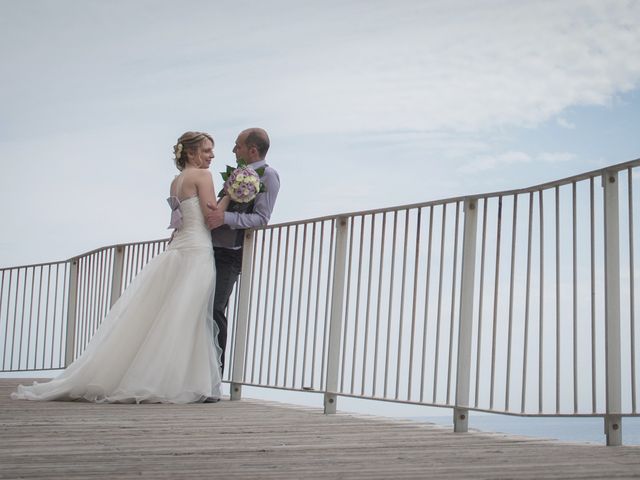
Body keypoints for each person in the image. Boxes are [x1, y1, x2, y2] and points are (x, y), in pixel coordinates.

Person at [12, 131, 228, 403]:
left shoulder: (176, 181)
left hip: (178, 250)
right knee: (191, 316)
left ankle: (180, 380)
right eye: (207, 150)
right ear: (192, 152)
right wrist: (230, 194)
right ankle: (184, 382)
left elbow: (179, 220)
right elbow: (212, 218)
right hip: (196, 250)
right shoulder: (202, 176)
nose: (211, 156)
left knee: (174, 315)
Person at [206, 128, 280, 374]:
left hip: (231, 252)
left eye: (237, 145)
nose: (233, 150)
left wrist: (224, 218)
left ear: (253, 150)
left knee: (216, 308)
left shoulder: (268, 176)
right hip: (209, 248)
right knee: (200, 309)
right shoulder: (237, 173)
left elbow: (261, 218)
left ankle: (216, 376)